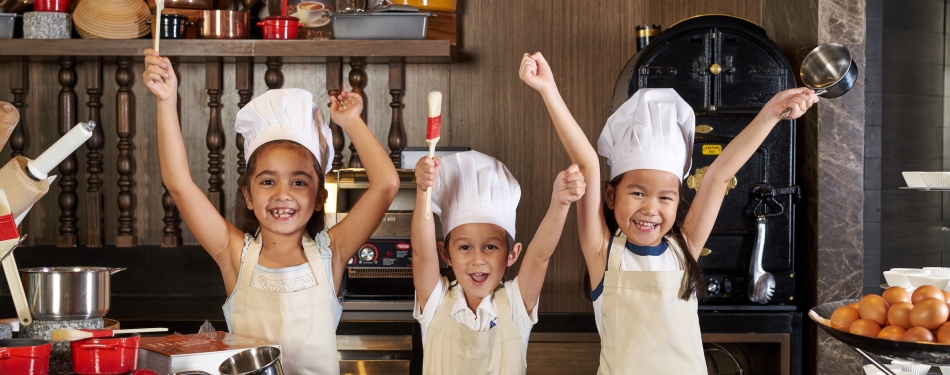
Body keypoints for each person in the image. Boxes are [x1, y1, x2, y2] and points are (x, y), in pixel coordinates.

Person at [520, 51, 817, 374]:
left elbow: (718, 176)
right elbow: (588, 163)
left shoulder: (684, 247)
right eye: (637, 193)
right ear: (609, 195)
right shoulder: (601, 253)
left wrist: (771, 113)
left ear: (678, 202)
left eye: (665, 197)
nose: (650, 208)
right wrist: (548, 90)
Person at [142, 49, 400, 374]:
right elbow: (178, 183)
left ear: (319, 197)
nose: (282, 195)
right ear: (248, 195)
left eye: (298, 182)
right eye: (267, 181)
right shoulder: (234, 254)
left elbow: (386, 185)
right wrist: (167, 101)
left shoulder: (330, 255)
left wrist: (350, 122)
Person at [412, 150, 585, 374]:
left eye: (490, 247)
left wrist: (560, 204)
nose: (478, 259)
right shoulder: (436, 303)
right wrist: (422, 191)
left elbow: (539, 257)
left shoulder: (515, 305)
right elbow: (421, 253)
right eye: (465, 247)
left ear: (511, 254)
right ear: (446, 255)